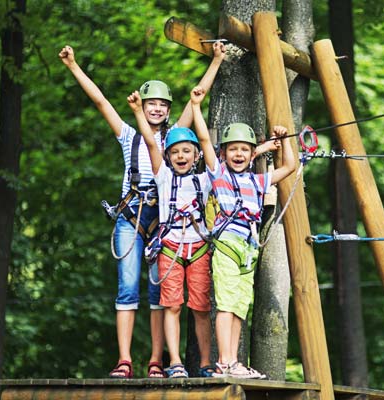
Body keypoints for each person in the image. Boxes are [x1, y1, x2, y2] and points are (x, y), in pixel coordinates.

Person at [58, 41, 225, 378]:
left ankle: (155, 360)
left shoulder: (178, 139)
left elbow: (198, 97)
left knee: (159, 293)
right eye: (152, 104)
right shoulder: (130, 136)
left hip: (165, 221)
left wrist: (218, 60)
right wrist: (73, 65)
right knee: (127, 286)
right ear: (143, 106)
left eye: (163, 104)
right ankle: (124, 359)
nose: (157, 109)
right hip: (132, 216)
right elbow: (101, 101)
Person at [191, 86, 296, 378]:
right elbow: (202, 138)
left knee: (240, 306)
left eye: (244, 150)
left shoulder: (259, 181)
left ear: (252, 154)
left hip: (248, 249)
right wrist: (196, 107)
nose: (238, 154)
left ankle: (233, 361)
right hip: (226, 244)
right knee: (225, 303)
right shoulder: (219, 173)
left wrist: (284, 140)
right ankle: (224, 361)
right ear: (223, 153)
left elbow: (289, 166)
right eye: (233, 149)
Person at [127, 88, 214, 378]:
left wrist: (197, 106)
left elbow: (206, 142)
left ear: (196, 155)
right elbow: (152, 144)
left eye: (186, 152)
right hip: (170, 247)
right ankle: (175, 361)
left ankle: (204, 363)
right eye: (175, 152)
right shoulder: (162, 177)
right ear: (168, 157)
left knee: (201, 308)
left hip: (199, 247)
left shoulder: (206, 179)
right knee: (172, 305)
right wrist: (139, 111)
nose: (181, 156)